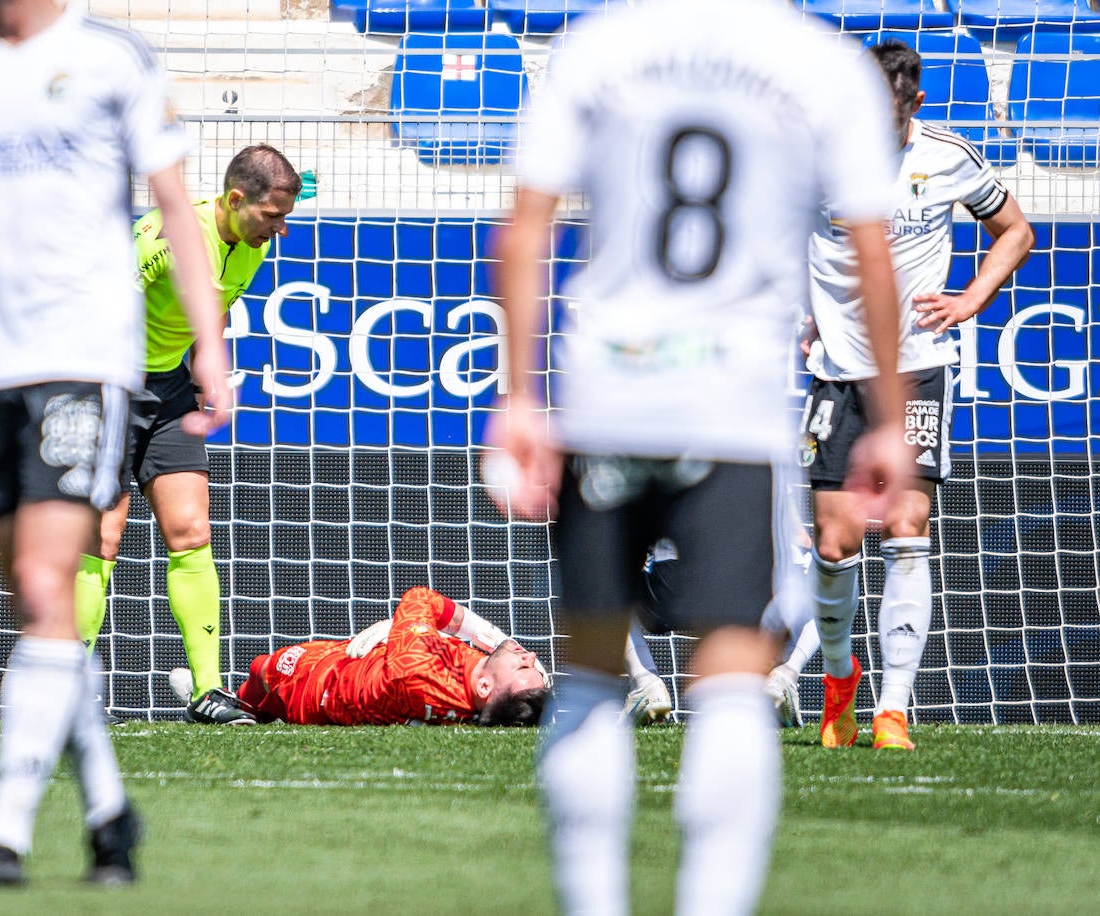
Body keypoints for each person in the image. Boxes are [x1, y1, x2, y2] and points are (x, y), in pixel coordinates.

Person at [487, 3, 912, 914]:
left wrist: (520, 398)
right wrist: (886, 419)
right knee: (729, 676)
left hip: (609, 391)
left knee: (592, 669)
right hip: (734, 407)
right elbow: (874, 255)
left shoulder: (597, 46)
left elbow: (524, 232)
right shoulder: (819, 61)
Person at [0, 0, 231, 886]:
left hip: (84, 360)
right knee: (42, 610)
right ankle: (108, 810)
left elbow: (177, 206)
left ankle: (7, 830)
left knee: (42, 583)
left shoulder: (114, 60)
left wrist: (212, 344)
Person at [791, 38, 1034, 752]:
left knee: (906, 527)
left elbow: (1014, 230)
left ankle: (893, 709)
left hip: (920, 365)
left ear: (914, 105)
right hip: (838, 371)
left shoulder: (948, 154)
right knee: (835, 546)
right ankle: (840, 683)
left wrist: (972, 299)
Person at [76, 144, 301, 726]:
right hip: (105, 384)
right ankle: (67, 687)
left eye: (285, 218)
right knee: (102, 537)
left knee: (190, 529)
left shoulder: (249, 243)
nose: (279, 231)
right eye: (272, 216)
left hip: (169, 390)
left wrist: (206, 367)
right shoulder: (166, 238)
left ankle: (208, 690)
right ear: (234, 199)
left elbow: (214, 310)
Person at [208, 587, 548, 726]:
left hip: (321, 682)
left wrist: (403, 626)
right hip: (367, 669)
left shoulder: (416, 670)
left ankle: (226, 709)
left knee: (264, 669)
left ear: (486, 687)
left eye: (522, 663)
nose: (530, 654)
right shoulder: (479, 690)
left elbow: (419, 598)